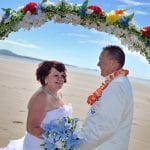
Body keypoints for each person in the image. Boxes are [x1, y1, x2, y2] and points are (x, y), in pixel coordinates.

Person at [1, 60, 72, 150]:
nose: (61, 78)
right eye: (56, 75)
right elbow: (32, 128)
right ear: (45, 77)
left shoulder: (58, 93)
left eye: (62, 75)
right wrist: (58, 140)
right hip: (37, 146)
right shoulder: (42, 97)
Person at [80, 45, 133, 150]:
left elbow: (106, 128)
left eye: (101, 61)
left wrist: (79, 146)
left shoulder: (117, 86)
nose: (98, 64)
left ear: (112, 63)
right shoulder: (117, 82)